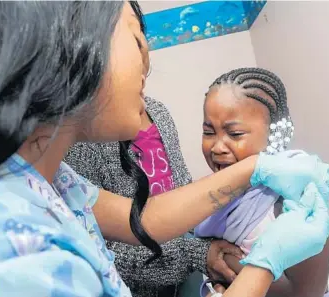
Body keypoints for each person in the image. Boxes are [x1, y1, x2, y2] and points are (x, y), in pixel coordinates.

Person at [0, 2, 329, 297]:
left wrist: (255, 170)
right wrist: (263, 265)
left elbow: (141, 218)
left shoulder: (40, 175)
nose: (148, 58)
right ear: (71, 39)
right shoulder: (14, 262)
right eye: (135, 36)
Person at [65, 21, 242, 297]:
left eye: (142, 39)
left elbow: (182, 190)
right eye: (132, 41)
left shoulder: (159, 114)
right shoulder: (84, 142)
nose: (145, 53)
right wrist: (197, 254)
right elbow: (106, 247)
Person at [196, 68, 329, 297]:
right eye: (208, 132)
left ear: (273, 135)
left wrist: (228, 264)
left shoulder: (295, 203)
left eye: (235, 134)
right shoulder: (212, 194)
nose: (217, 147)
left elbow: (307, 293)